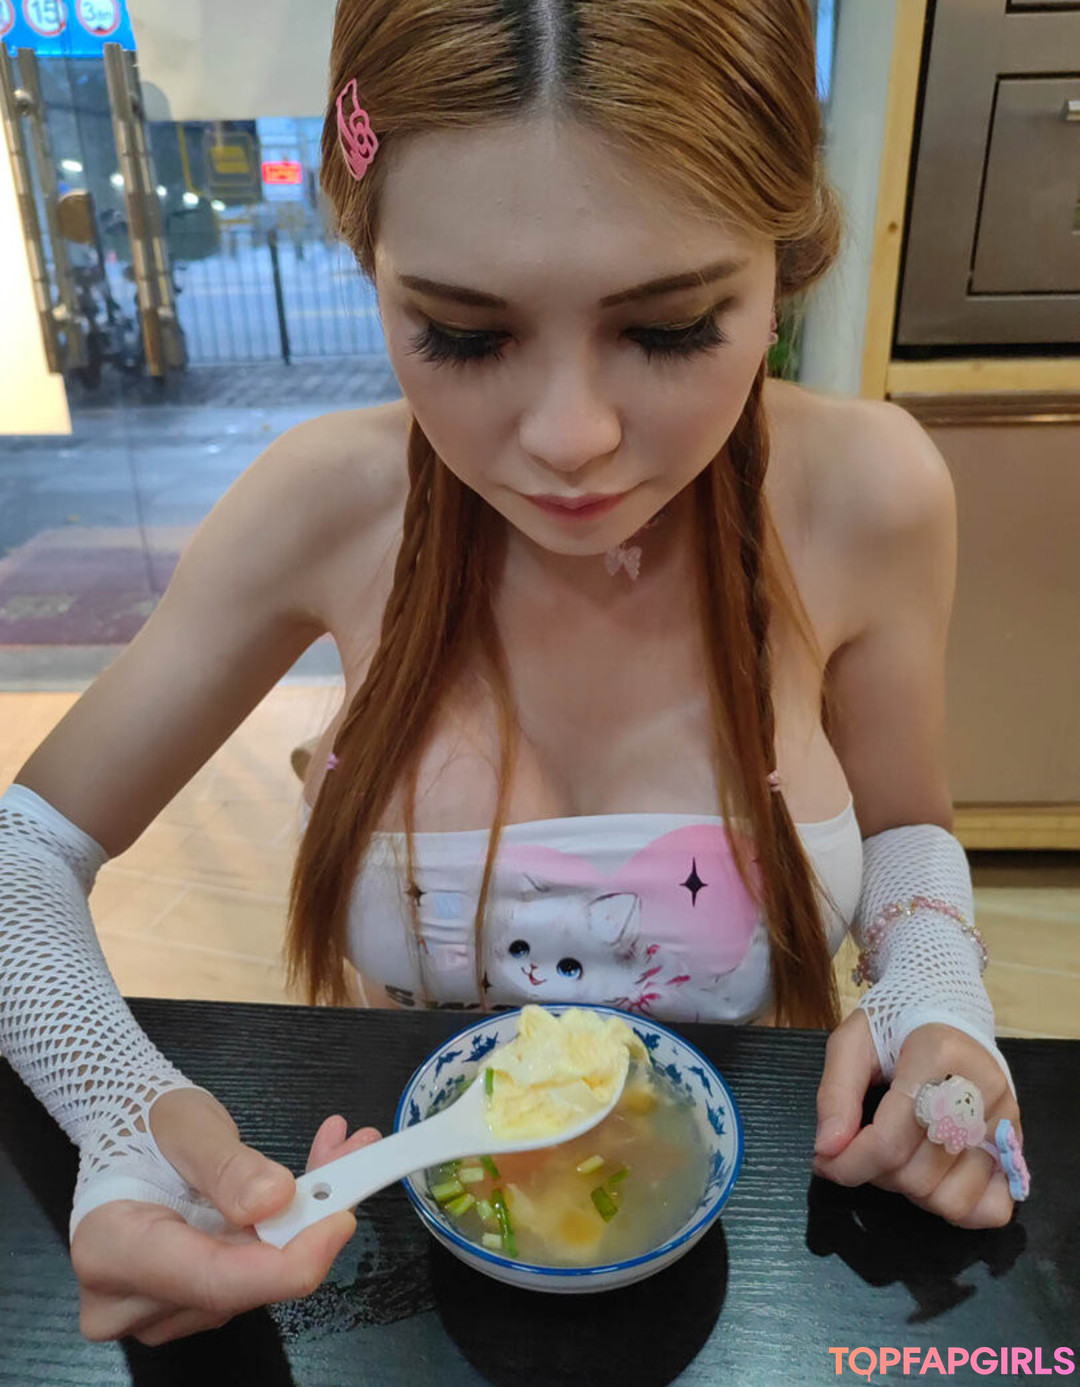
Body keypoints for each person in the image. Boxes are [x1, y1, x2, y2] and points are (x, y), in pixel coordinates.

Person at [0, 0, 1025, 1350]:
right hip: (392, 1268)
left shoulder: (866, 494)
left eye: (672, 327)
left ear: (786, 263)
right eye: (464, 336)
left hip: (752, 1259)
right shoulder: (322, 508)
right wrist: (120, 1112)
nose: (569, 437)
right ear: (370, 264)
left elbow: (904, 833)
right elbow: (21, 857)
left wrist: (938, 998)